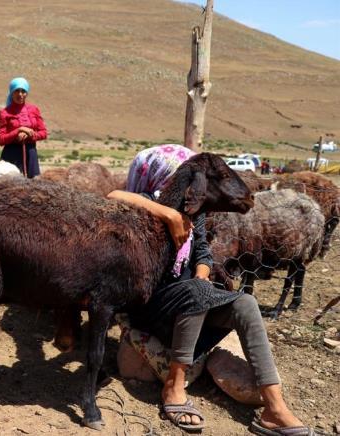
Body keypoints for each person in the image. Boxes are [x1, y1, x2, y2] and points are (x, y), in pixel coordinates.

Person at [107, 144, 314, 435]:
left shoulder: (194, 212)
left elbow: (203, 254)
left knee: (245, 303)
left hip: (188, 301)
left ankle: (274, 406)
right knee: (196, 293)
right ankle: (174, 386)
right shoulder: (141, 204)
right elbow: (113, 195)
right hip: (151, 305)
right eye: (176, 176)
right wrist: (168, 215)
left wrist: (201, 276)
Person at [0, 77, 47, 178]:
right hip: (11, 156)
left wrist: (29, 135)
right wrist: (18, 130)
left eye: (23, 91)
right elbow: (1, 139)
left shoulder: (34, 109)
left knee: (34, 186)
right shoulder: (4, 113)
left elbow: (43, 133)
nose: (20, 94)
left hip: (31, 155)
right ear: (12, 92)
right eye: (17, 91)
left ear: (27, 93)